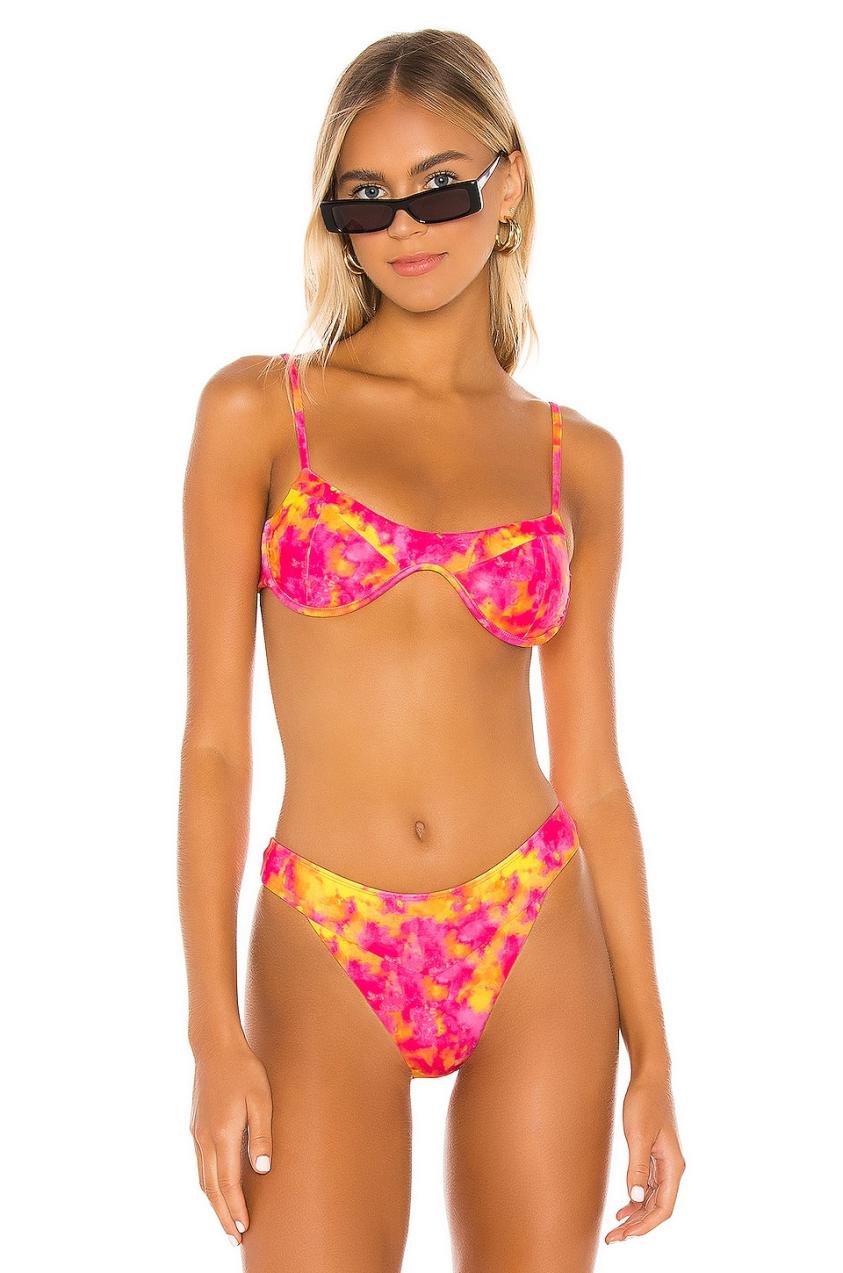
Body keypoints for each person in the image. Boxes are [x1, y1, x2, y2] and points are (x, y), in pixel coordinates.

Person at [178, 28, 684, 1272]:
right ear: (336, 220)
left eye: (442, 186)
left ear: (509, 187)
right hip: (324, 932)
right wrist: (211, 1032)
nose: (406, 225)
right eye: (367, 198)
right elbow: (214, 748)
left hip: (533, 925)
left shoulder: (579, 460)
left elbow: (595, 776)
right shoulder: (258, 413)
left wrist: (657, 1054)